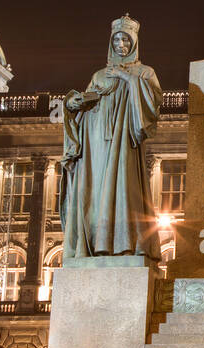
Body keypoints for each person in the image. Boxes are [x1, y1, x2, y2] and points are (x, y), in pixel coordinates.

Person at [60, 14, 162, 259]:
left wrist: (128, 78)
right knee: (95, 193)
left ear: (134, 43)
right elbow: (86, 100)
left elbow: (153, 105)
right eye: (116, 40)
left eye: (126, 40)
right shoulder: (99, 75)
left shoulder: (145, 73)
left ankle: (124, 242)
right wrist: (74, 104)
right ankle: (96, 244)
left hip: (124, 140)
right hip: (95, 142)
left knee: (124, 189)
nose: (121, 45)